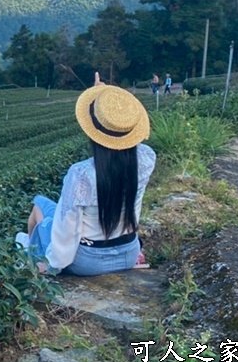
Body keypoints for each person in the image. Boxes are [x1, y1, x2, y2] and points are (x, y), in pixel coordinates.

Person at [19, 81, 156, 275]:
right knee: (44, 210)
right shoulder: (146, 159)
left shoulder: (81, 174)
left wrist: (51, 265)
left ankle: (31, 254)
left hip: (88, 262)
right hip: (128, 252)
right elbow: (123, 135)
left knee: (39, 205)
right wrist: (107, 100)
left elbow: (68, 231)